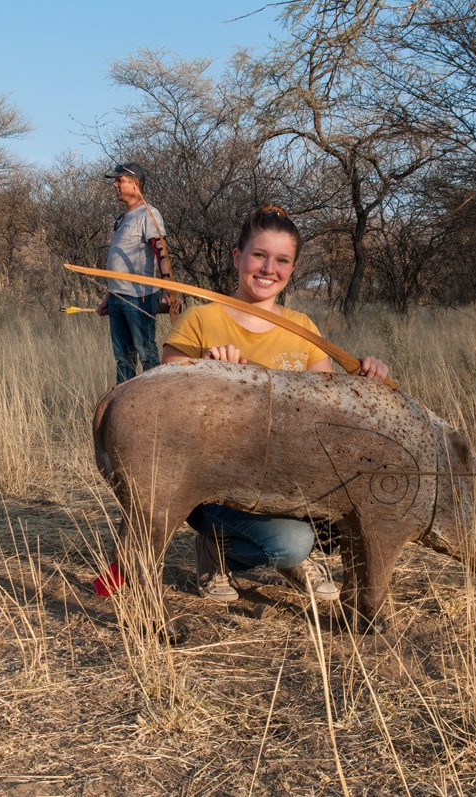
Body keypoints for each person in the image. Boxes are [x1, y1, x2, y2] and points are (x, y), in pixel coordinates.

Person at [161, 204, 391, 604]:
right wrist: (208, 370)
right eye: (259, 255)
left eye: (282, 260)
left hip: (283, 480)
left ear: (293, 267)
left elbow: (328, 402)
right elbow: (163, 396)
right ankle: (217, 548)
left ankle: (293, 555)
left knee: (321, 524)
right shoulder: (199, 319)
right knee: (292, 541)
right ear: (237, 257)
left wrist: (368, 379)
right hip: (213, 485)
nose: (269, 269)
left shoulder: (303, 328)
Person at [97, 162, 169, 383]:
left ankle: (154, 401)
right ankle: (125, 407)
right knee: (123, 358)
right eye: (115, 181)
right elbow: (119, 264)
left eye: (120, 180)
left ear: (135, 183)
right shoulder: (121, 219)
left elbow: (161, 251)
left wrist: (168, 288)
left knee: (146, 353)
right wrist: (108, 296)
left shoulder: (149, 213)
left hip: (140, 297)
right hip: (118, 296)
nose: (115, 185)